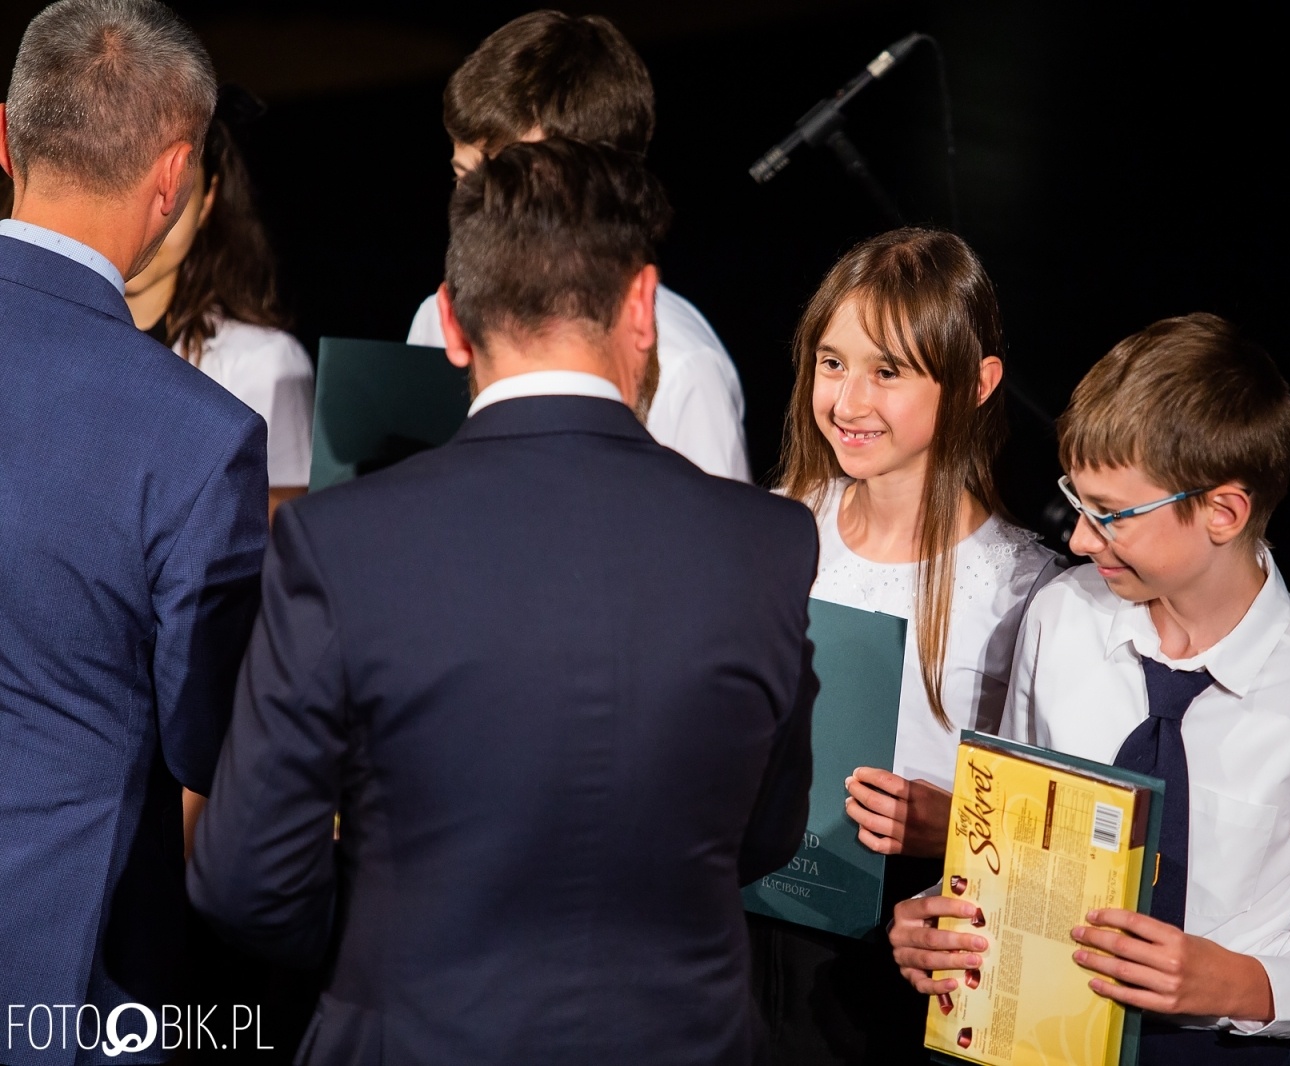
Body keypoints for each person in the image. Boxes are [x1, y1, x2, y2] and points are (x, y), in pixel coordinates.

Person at [188, 138, 818, 1066]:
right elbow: (766, 833)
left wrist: (385, 950)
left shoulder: (341, 543)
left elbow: (242, 879)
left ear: (450, 322)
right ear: (641, 306)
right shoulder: (767, 544)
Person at [888, 314, 1290, 1063]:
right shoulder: (1060, 619)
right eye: (1077, 503)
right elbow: (1003, 846)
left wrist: (1238, 982)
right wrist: (932, 916)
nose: (1078, 539)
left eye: (1110, 516)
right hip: (1035, 1028)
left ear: (1223, 512)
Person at [0, 0, 266, 1057]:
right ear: (173, 178)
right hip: (64, 977)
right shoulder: (196, 438)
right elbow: (212, 742)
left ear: (5, 140)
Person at [751, 227, 1059, 1065]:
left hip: (907, 952)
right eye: (833, 362)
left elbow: (1055, 826)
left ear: (977, 383)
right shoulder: (781, 524)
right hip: (754, 924)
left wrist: (949, 823)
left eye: (888, 371)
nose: (849, 402)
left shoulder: (1022, 591)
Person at [405, 10, 750, 481]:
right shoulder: (437, 319)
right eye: (465, 179)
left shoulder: (684, 368)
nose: (479, 209)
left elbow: (711, 540)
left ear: (599, 180)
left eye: (512, 183)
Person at [124, 86, 313, 521]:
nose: (153, 214)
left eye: (175, 187)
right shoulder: (37, 336)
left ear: (207, 200)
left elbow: (289, 524)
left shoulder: (265, 361)